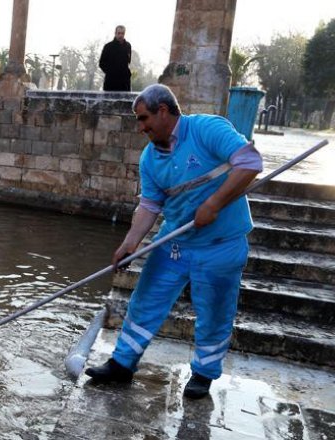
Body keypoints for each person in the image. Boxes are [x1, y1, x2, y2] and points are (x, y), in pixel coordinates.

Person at [84, 84, 263, 399]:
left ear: (163, 111)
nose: (141, 128)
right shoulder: (150, 158)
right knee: (145, 300)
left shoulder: (207, 129)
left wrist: (214, 204)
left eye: (144, 119)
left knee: (215, 312)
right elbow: (150, 205)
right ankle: (122, 364)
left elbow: (250, 163)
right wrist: (130, 243)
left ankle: (204, 374)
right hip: (175, 240)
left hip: (220, 244)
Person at [99, 25, 132, 91]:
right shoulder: (108, 47)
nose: (120, 35)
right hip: (111, 82)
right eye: (119, 33)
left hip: (124, 83)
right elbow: (101, 63)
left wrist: (126, 74)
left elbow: (128, 61)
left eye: (122, 33)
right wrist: (110, 73)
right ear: (115, 33)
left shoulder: (128, 46)